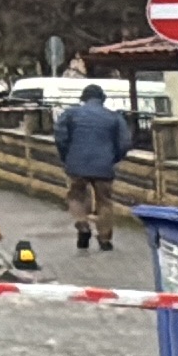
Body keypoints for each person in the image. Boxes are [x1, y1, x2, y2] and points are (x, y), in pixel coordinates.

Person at [55, 82, 136, 252]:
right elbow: (125, 142)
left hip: (77, 164)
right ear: (102, 99)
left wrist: (66, 156)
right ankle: (105, 239)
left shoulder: (70, 114)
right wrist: (114, 158)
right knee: (104, 201)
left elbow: (60, 137)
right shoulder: (114, 117)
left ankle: (82, 224)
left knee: (76, 196)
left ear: (84, 98)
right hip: (104, 165)